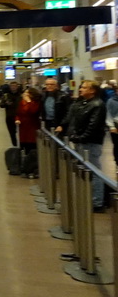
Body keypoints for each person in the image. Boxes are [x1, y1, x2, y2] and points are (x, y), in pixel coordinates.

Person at [59, 80, 107, 211]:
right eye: (81, 87)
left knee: (94, 171)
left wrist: (80, 137)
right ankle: (87, 197)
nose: (80, 89)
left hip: (90, 143)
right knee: (85, 170)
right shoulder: (81, 103)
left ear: (92, 90)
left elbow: (93, 126)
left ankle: (97, 201)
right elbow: (74, 119)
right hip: (81, 141)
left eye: (84, 88)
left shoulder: (97, 105)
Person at [15, 86, 42, 177]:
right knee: (24, 147)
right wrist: (17, 119)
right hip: (23, 128)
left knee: (32, 148)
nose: (25, 95)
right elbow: (18, 113)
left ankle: (34, 168)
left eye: (27, 93)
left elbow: (33, 111)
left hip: (32, 127)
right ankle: (26, 167)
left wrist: (29, 101)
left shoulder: (35, 103)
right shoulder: (21, 103)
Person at [0, 81, 23, 147]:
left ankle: (22, 146)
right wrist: (6, 103)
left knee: (21, 132)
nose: (13, 87)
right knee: (12, 133)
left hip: (20, 116)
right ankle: (15, 145)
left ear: (17, 87)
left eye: (15, 86)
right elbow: (1, 105)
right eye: (12, 86)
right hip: (9, 116)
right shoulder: (6, 96)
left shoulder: (21, 95)